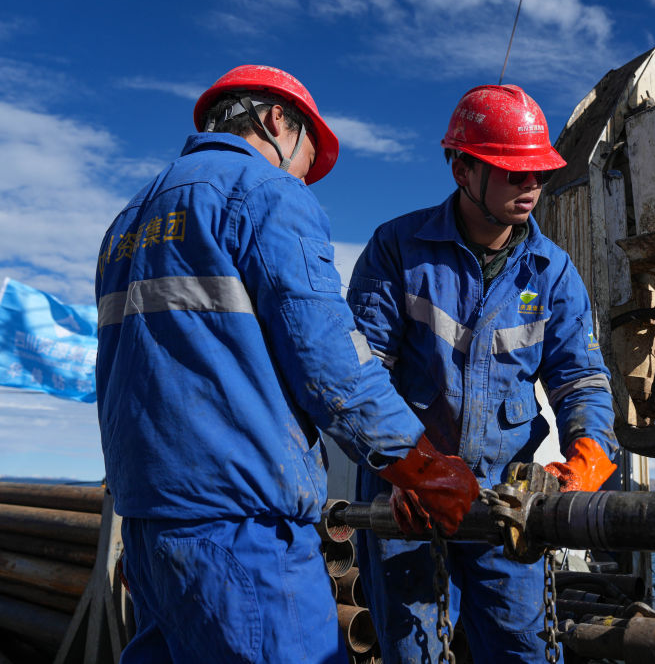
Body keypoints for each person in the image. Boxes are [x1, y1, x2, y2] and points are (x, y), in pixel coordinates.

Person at [94, 65, 478, 664]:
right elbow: (331, 362)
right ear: (278, 120)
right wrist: (423, 469)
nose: (303, 179)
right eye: (307, 162)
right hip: (243, 529)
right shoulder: (265, 193)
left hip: (147, 527)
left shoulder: (128, 221)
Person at [347, 84, 619, 664]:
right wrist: (405, 470)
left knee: (524, 650)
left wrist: (586, 462)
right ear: (463, 171)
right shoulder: (398, 250)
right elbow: (361, 378)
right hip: (411, 501)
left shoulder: (552, 273)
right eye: (515, 173)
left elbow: (581, 381)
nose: (532, 186)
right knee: (413, 652)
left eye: (539, 172)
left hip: (506, 505)